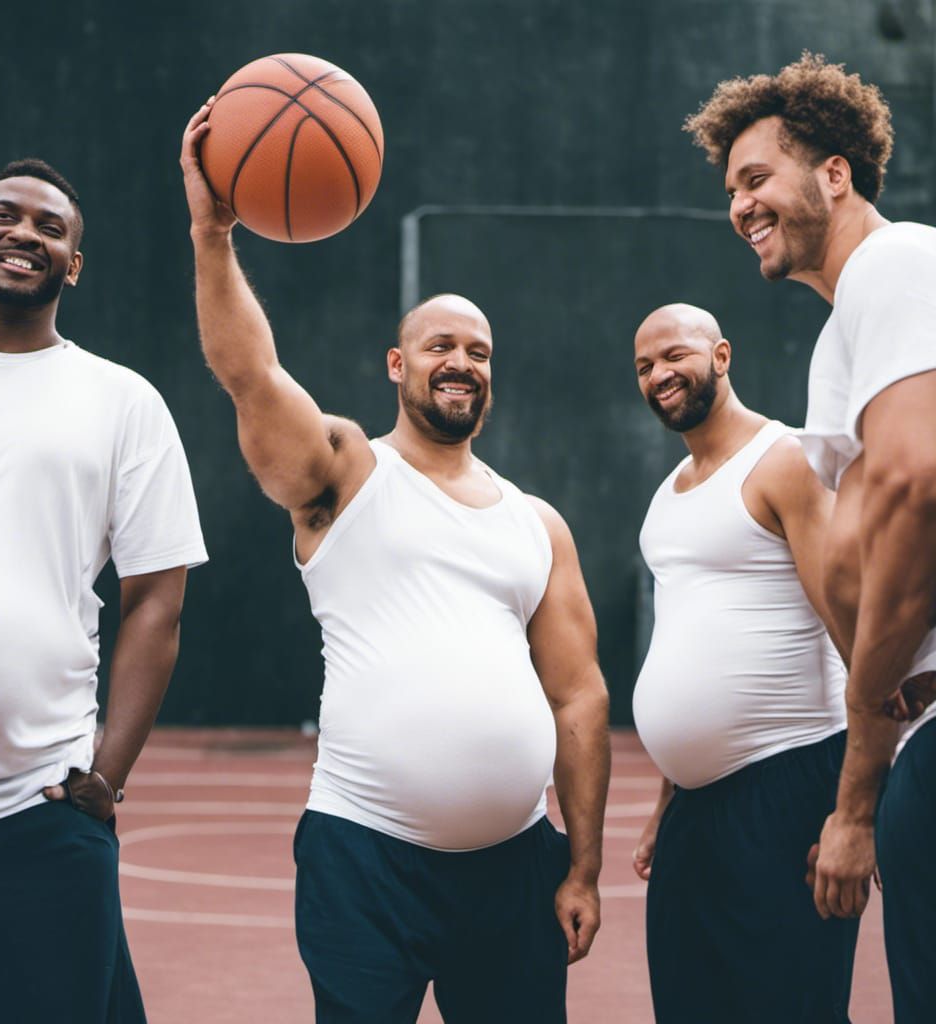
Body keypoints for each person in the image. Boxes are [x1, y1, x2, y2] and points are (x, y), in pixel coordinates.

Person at [180, 103, 611, 1024]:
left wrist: (583, 865)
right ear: (396, 365)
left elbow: (579, 697)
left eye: (478, 351)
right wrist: (212, 233)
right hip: (364, 857)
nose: (461, 362)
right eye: (440, 346)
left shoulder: (538, 522)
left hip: (517, 867)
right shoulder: (344, 473)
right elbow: (251, 375)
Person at [0, 159, 207, 1023]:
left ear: (72, 265)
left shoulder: (123, 402)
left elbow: (157, 598)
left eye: (51, 227)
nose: (25, 234)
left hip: (37, 813)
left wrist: (106, 777)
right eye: (6, 216)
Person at [685, 53, 936, 1021]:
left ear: (834, 172)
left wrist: (866, 720)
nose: (741, 205)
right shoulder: (847, 332)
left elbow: (913, 485)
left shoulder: (894, 263)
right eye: (731, 191)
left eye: (757, 178)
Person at [630, 302, 856, 1023]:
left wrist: (857, 812)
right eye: (644, 366)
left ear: (721, 355)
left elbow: (855, 635)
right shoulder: (668, 497)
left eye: (675, 355)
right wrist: (668, 801)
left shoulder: (784, 460)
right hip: (696, 810)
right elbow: (691, 646)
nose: (660, 374)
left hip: (788, 786)